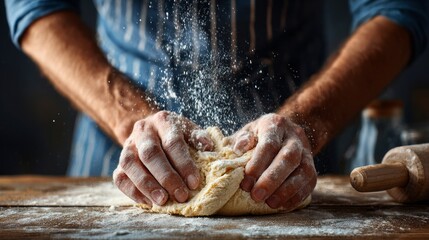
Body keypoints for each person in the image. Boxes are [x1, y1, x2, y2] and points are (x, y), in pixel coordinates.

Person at [5, 0, 427, 210]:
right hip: (120, 158)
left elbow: (397, 9)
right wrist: (131, 119)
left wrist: (306, 121)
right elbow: (36, 7)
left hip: (287, 164)